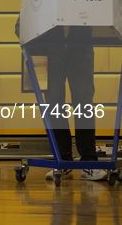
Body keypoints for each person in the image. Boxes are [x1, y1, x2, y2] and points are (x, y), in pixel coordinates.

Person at [15, 18, 107, 181]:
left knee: (84, 104)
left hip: (80, 46)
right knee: (53, 105)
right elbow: (21, 25)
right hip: (49, 49)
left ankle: (89, 162)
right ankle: (63, 161)